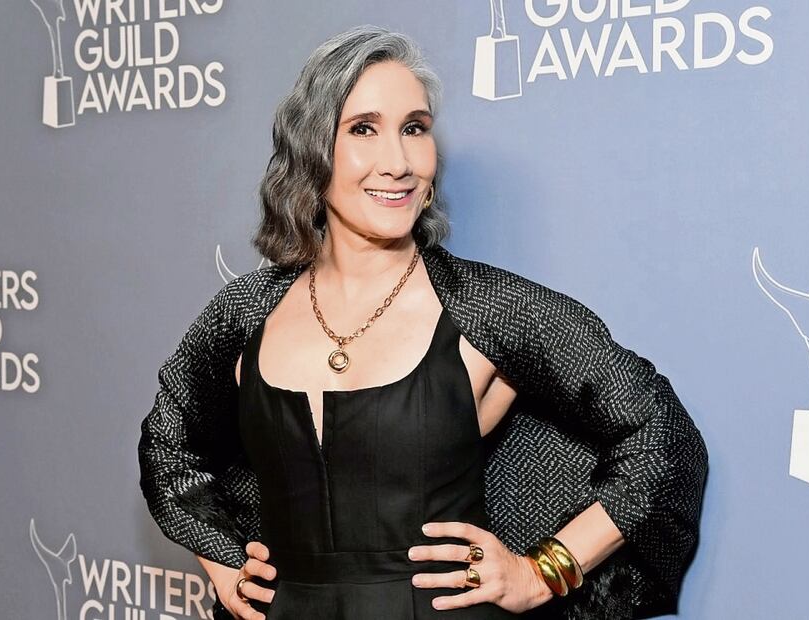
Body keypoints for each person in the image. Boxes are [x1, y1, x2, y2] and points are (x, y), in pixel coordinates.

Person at [138, 25, 708, 620]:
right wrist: (222, 560)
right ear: (311, 150)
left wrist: (545, 571)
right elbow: (169, 446)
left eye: (414, 128)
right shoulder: (244, 312)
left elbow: (660, 435)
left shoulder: (488, 308)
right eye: (363, 129)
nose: (399, 162)